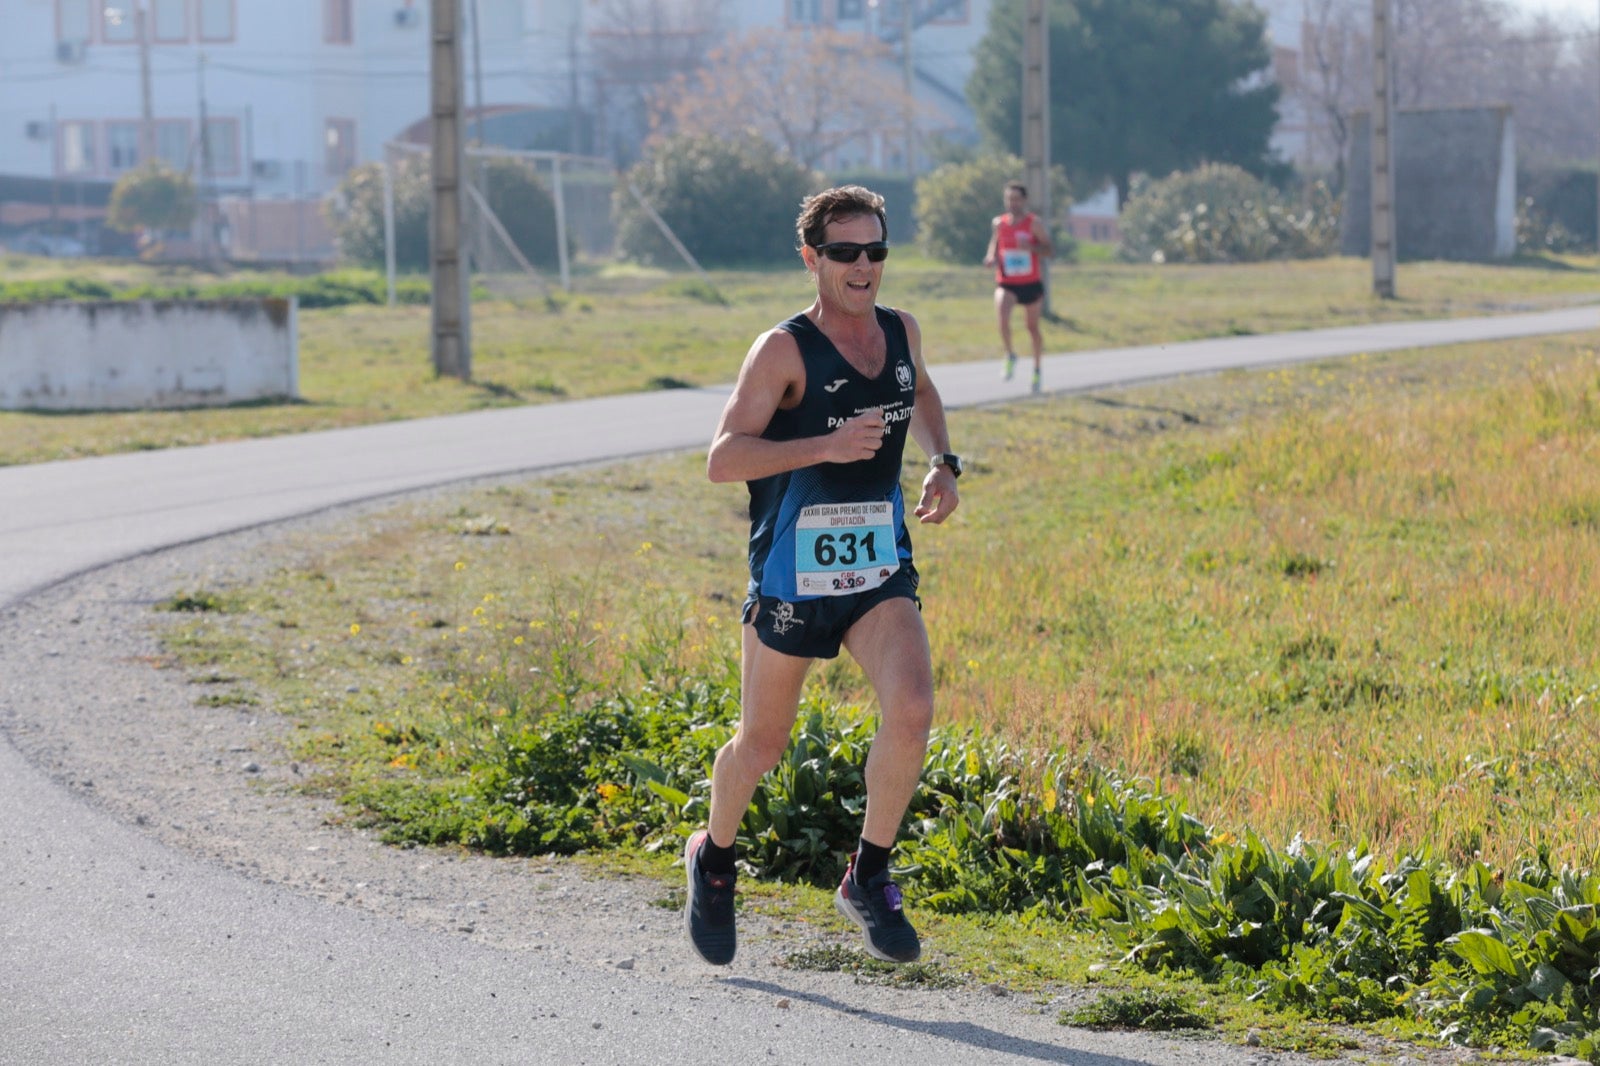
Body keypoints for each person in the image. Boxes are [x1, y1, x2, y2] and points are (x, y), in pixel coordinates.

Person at [686, 185, 963, 967]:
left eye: (876, 250)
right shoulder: (783, 351)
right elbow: (722, 459)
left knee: (913, 707)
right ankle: (713, 858)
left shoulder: (900, 330)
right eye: (845, 252)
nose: (863, 265)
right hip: (792, 576)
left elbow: (920, 388)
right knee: (761, 744)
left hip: (876, 568)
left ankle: (867, 876)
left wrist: (942, 462)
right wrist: (824, 447)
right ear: (811, 258)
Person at [983, 181, 1054, 394]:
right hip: (1007, 282)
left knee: (1032, 328)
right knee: (1002, 318)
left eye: (1016, 199)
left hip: (1030, 284)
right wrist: (991, 256)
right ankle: (1010, 354)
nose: (1012, 203)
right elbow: (995, 242)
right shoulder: (999, 223)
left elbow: (1049, 250)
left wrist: (1031, 247)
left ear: (1024, 200)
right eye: (1009, 199)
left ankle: (1037, 370)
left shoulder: (1034, 223)